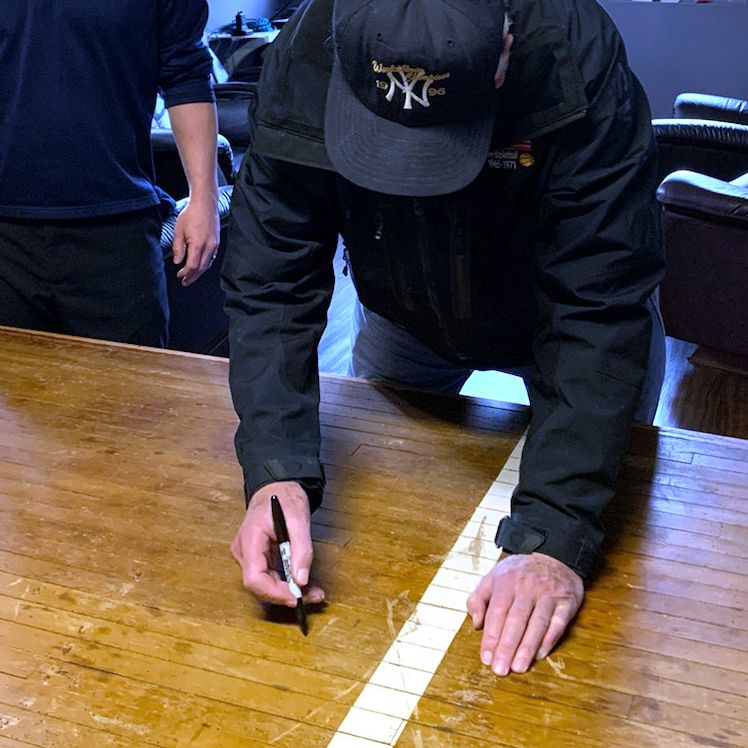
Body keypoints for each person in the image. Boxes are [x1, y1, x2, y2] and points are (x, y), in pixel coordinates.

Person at [222, 0, 666, 676]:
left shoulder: (572, 55)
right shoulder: (309, 53)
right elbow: (272, 275)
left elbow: (598, 306)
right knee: (400, 535)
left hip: (564, 323)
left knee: (606, 607)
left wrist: (555, 535)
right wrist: (275, 470)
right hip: (405, 321)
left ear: (505, 55)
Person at [0, 0, 220, 347]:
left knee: (132, 396)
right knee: (17, 394)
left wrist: (204, 200)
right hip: (6, 235)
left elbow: (187, 76)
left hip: (119, 231)